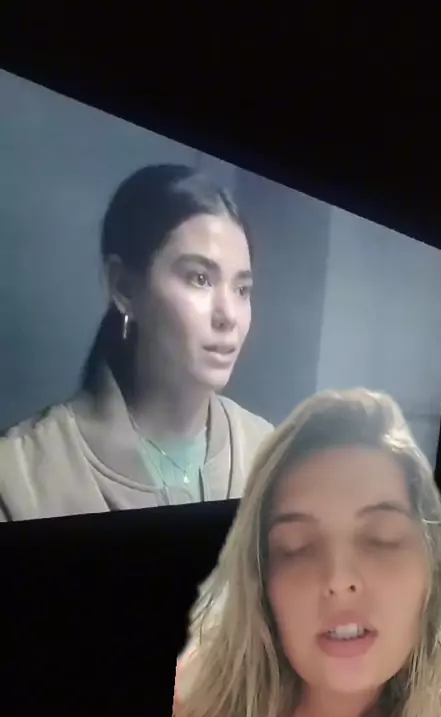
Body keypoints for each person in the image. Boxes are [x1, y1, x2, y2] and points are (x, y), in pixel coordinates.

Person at [162, 388, 441, 717]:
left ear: (430, 566)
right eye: (297, 548)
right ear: (262, 583)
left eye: (381, 538)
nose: (338, 579)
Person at [0, 164, 272, 521]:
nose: (229, 315)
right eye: (199, 278)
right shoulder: (19, 476)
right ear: (124, 287)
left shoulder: (268, 451)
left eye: (242, 290)